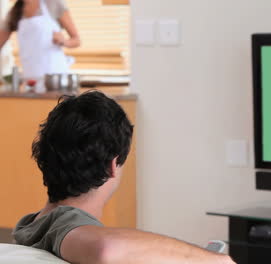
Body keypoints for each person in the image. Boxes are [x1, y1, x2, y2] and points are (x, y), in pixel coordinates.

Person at [13, 91, 235, 264]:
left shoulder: (31, 226)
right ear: (113, 165)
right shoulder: (66, 224)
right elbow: (107, 249)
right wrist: (211, 259)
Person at [0, 0, 80, 87]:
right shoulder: (15, 11)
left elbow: (76, 40)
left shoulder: (53, 3)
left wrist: (64, 41)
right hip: (30, 78)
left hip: (55, 77)